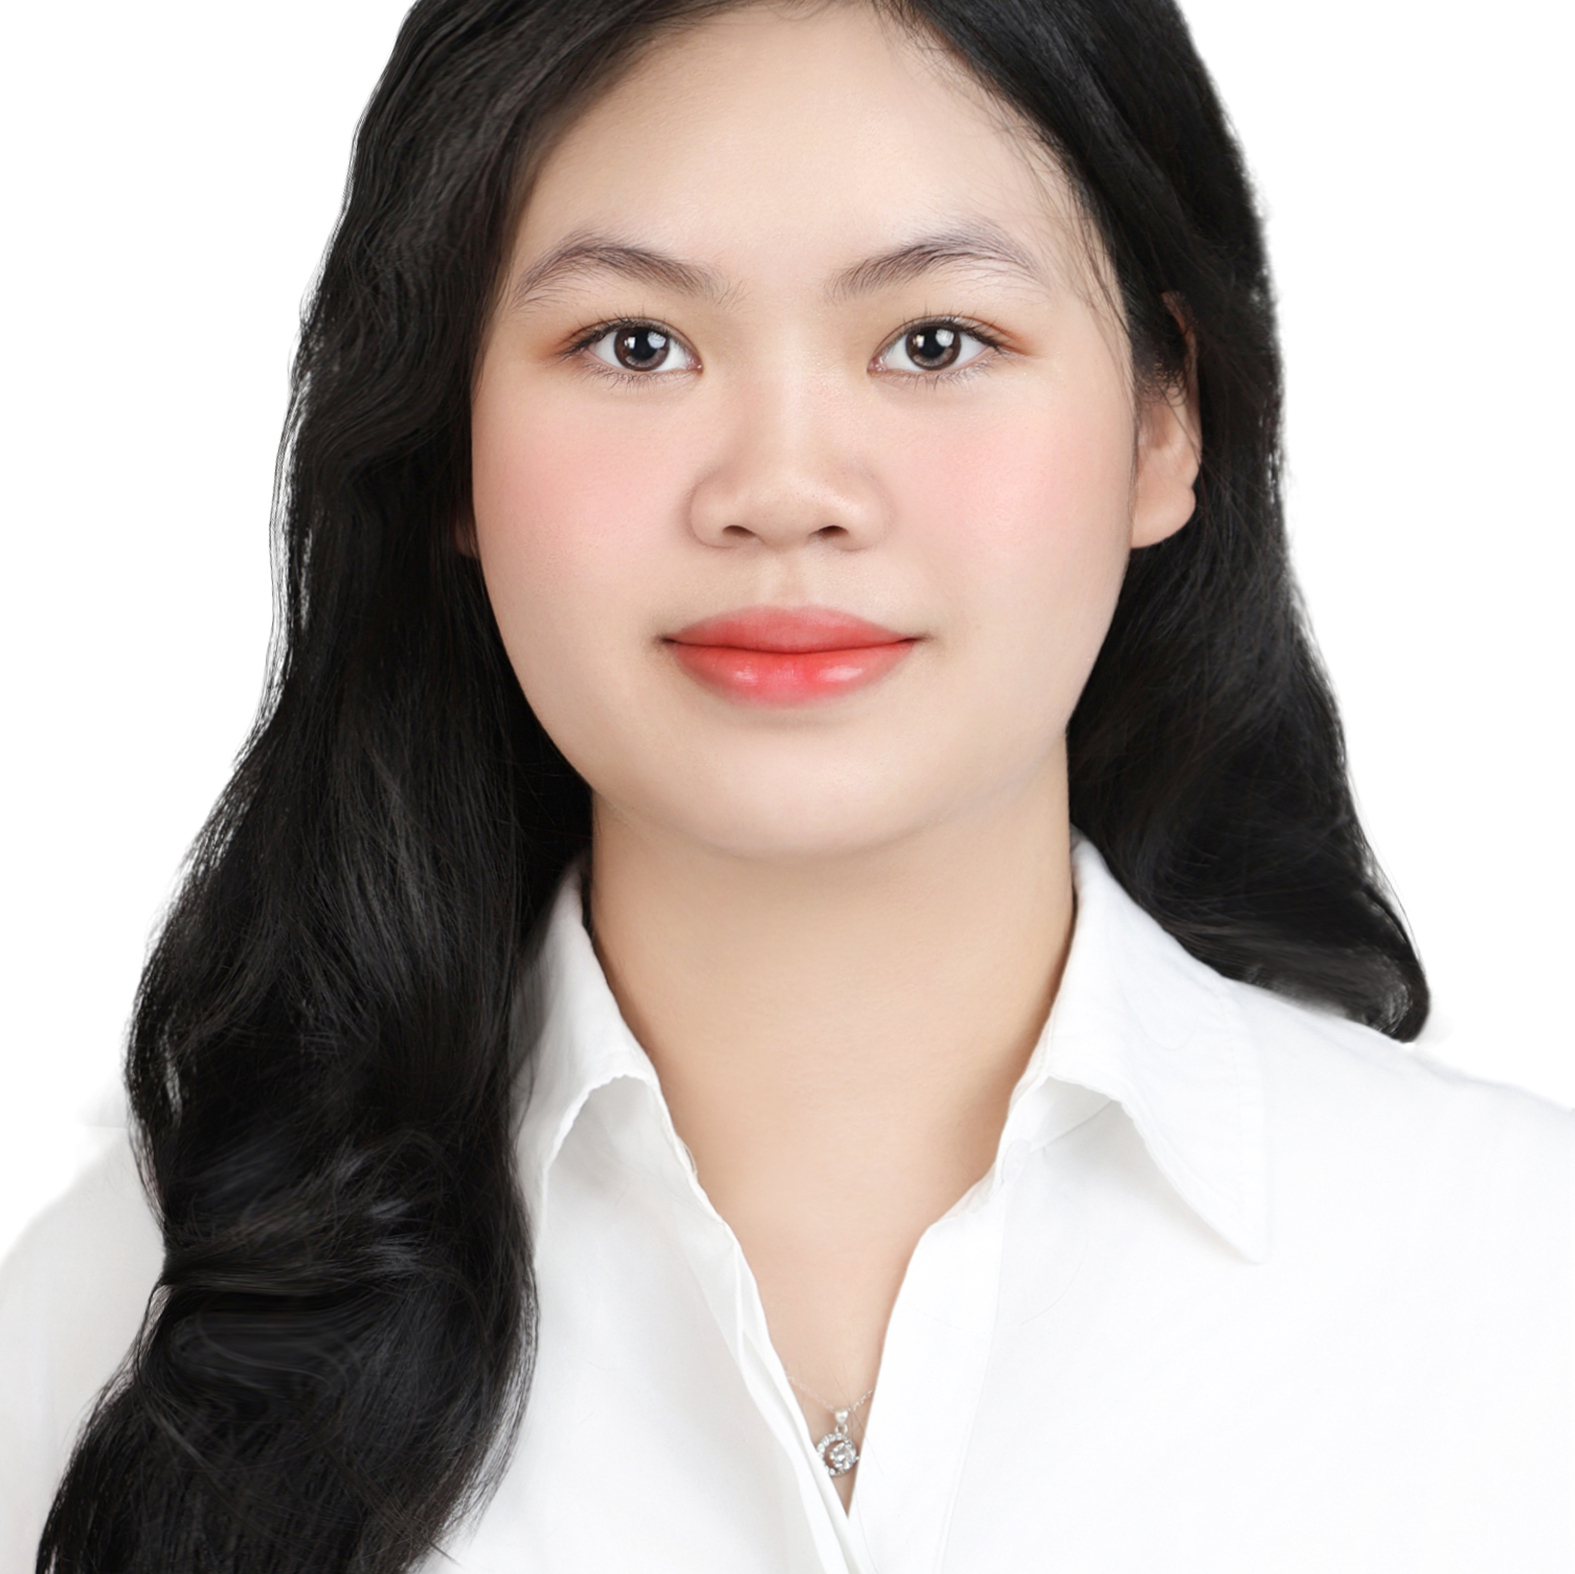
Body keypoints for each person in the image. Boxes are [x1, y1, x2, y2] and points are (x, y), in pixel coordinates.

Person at [2, 0, 1570, 1570]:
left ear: (1168, 423)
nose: (783, 490)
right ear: (446, 446)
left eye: (936, 341)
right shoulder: (120, 1324)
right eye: (635, 344)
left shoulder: (1521, 1277)